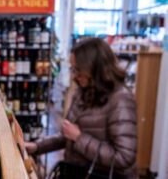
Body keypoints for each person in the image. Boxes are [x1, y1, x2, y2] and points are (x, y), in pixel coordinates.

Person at [25, 38, 137, 178]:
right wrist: (37, 147)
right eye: (72, 69)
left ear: (94, 68)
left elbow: (124, 157)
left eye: (77, 70)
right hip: (79, 172)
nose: (73, 76)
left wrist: (79, 138)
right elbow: (68, 134)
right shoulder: (83, 92)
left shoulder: (120, 99)